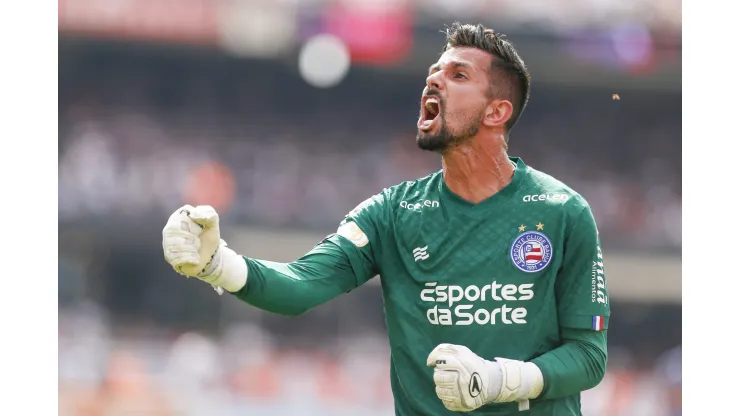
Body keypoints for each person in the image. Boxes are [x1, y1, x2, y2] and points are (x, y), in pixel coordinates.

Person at [162, 22, 610, 415]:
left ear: (497, 111)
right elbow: (301, 286)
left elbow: (588, 357)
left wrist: (501, 381)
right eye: (432, 73)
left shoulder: (562, 211)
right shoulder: (392, 212)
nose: (434, 83)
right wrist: (216, 262)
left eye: (457, 75)